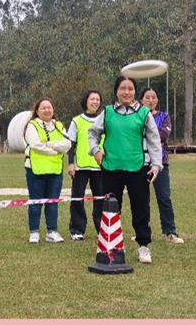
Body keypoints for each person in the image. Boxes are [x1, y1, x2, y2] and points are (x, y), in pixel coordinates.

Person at [88, 76, 162, 264]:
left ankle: (143, 246)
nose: (126, 92)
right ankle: (110, 246)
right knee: (110, 209)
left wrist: (156, 165)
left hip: (138, 168)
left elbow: (154, 140)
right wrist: (96, 151)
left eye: (130, 88)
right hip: (111, 167)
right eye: (123, 88)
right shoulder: (107, 112)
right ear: (116, 91)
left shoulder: (144, 113)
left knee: (141, 208)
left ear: (135, 92)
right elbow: (93, 133)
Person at [23, 96, 71, 243]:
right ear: (37, 111)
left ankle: (52, 231)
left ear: (53, 110)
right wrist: (54, 150)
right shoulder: (32, 125)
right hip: (35, 170)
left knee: (52, 202)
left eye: (49, 107)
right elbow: (35, 144)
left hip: (55, 170)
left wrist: (49, 144)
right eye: (43, 107)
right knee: (35, 202)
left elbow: (67, 144)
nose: (47, 110)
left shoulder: (59, 125)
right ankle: (34, 232)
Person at [140, 88, 184, 243]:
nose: (151, 100)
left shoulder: (164, 117)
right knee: (141, 199)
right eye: (147, 97)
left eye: (154, 97)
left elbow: (163, 135)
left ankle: (170, 232)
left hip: (161, 162)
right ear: (141, 100)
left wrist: (146, 134)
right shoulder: (137, 116)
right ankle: (141, 232)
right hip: (141, 162)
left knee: (164, 197)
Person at [66, 88, 106, 241]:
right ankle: (77, 229)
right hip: (81, 167)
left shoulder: (105, 119)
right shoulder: (77, 121)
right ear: (86, 101)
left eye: (97, 99)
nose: (95, 102)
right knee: (77, 198)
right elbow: (71, 144)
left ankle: (101, 229)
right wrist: (71, 163)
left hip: (100, 166)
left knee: (101, 199)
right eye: (92, 99)